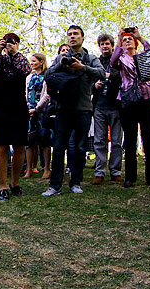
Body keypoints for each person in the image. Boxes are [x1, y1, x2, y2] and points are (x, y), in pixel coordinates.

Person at [42, 25, 105, 196]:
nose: (72, 37)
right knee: (59, 146)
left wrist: (83, 68)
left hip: (83, 108)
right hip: (63, 108)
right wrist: (60, 64)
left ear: (82, 37)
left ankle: (75, 182)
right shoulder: (60, 57)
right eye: (69, 34)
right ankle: (54, 185)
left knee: (79, 147)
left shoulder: (90, 58)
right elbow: (47, 77)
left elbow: (102, 73)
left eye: (75, 34)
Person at [110, 28, 150, 188]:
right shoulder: (121, 58)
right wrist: (118, 38)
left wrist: (140, 37)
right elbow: (112, 62)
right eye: (125, 39)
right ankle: (130, 177)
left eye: (130, 39)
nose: (128, 41)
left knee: (148, 137)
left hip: (146, 97)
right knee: (130, 139)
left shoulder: (142, 55)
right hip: (128, 100)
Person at [0, 33, 31, 200]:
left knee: (19, 146)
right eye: (6, 42)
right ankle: (3, 186)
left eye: (12, 42)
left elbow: (25, 70)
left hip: (19, 106)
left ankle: (15, 183)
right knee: (2, 147)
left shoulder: (21, 59)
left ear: (17, 44)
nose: (9, 45)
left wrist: (14, 53)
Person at [91, 33, 123, 184]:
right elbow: (88, 82)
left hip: (116, 106)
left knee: (116, 141)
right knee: (99, 140)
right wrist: (94, 86)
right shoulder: (95, 62)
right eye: (102, 44)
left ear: (111, 46)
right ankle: (100, 172)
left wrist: (110, 76)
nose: (105, 46)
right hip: (100, 106)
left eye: (107, 44)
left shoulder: (118, 62)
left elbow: (122, 77)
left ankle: (116, 171)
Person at [25, 53, 51, 179]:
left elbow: (47, 94)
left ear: (41, 62)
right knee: (29, 141)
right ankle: (29, 169)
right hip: (29, 111)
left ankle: (46, 168)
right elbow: (27, 92)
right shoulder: (29, 77)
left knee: (44, 140)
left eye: (34, 61)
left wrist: (37, 108)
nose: (32, 63)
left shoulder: (47, 76)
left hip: (42, 111)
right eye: (31, 61)